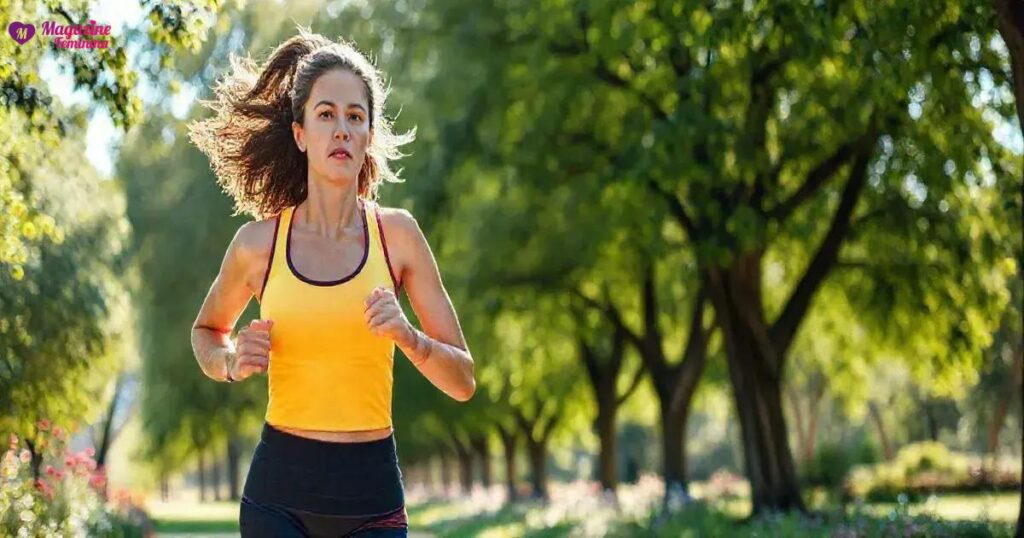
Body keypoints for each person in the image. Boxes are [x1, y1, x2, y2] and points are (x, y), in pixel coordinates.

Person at [186, 26, 476, 537]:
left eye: (355, 117)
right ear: (300, 134)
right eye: (325, 114)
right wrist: (231, 362)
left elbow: (463, 381)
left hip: (373, 502)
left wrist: (407, 336)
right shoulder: (258, 245)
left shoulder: (398, 237)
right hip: (278, 499)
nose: (341, 129)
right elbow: (206, 332)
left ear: (368, 136)